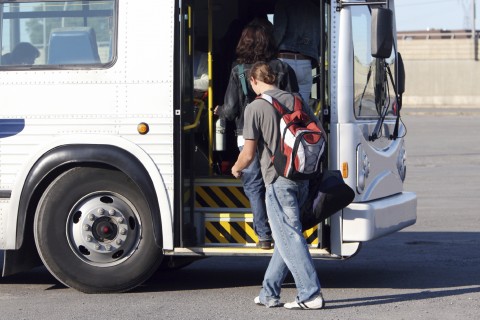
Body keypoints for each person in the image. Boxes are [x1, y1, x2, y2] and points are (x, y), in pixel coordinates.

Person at [231, 61, 325, 309]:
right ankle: (268, 293)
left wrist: (236, 167)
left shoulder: (256, 106)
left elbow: (248, 154)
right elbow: (319, 132)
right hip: (302, 176)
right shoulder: (296, 99)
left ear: (253, 81)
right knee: (287, 237)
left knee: (290, 237)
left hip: (278, 179)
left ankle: (310, 294)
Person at [215, 22, 298, 250]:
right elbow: (294, 102)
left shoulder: (237, 70)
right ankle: (284, 229)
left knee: (253, 185)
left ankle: (263, 236)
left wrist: (218, 110)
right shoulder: (282, 67)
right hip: (278, 135)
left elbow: (231, 111)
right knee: (276, 181)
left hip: (247, 134)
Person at [273, 0, 320, 104]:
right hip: (305, 63)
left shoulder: (283, 3)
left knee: (282, 109)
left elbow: (279, 31)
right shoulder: (315, 8)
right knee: (302, 109)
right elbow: (321, 39)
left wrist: (270, 52)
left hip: (284, 62)